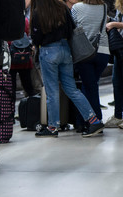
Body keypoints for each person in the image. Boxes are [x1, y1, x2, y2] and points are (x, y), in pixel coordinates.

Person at [31, 0, 105, 138]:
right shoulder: (63, 8)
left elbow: (36, 37)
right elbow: (72, 28)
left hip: (48, 51)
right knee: (72, 89)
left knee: (52, 92)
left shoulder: (38, 12)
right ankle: (94, 121)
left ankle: (53, 127)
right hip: (66, 50)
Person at [71, 0, 110, 130]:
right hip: (103, 52)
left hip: (84, 52)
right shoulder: (104, 7)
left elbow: (72, 26)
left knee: (89, 86)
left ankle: (95, 121)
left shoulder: (77, 7)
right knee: (91, 85)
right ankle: (82, 121)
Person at [106, 0, 123, 128]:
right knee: (116, 81)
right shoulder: (119, 5)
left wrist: (114, 24)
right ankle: (118, 115)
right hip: (120, 47)